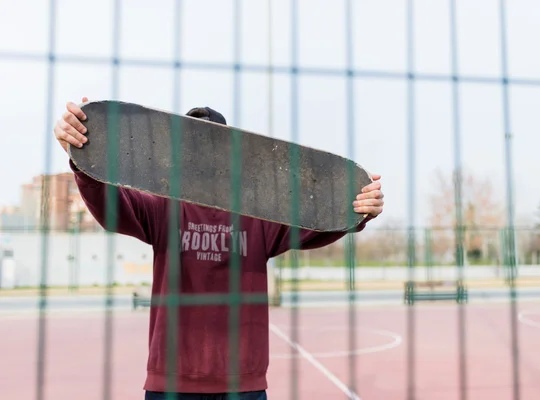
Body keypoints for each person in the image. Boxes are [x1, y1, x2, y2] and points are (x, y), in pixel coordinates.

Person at [54, 97, 385, 400]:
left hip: (242, 385)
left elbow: (314, 226)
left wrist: (356, 211)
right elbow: (112, 207)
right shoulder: (163, 208)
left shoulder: (259, 212)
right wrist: (85, 154)